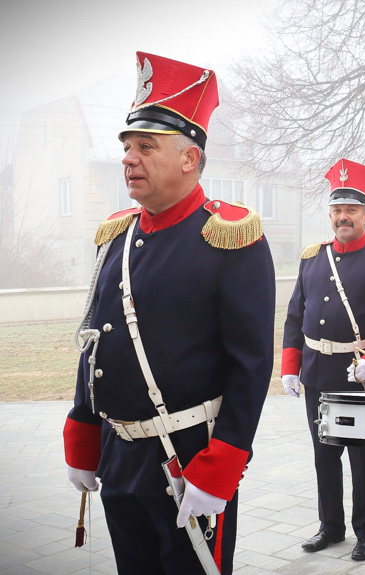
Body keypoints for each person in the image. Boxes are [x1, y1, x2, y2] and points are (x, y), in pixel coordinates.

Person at [63, 52, 276, 574]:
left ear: (189, 157)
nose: (129, 159)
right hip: (119, 451)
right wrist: (83, 430)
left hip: (190, 458)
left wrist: (223, 463)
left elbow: (250, 364)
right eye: (128, 147)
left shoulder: (229, 236)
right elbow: (94, 341)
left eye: (146, 147)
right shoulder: (117, 235)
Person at [281, 159, 365, 560]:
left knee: (364, 456)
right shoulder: (313, 256)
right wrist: (290, 368)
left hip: (359, 373)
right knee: (323, 452)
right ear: (330, 214)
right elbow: (296, 314)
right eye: (336, 210)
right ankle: (330, 526)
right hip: (318, 369)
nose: (343, 217)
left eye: (351, 210)